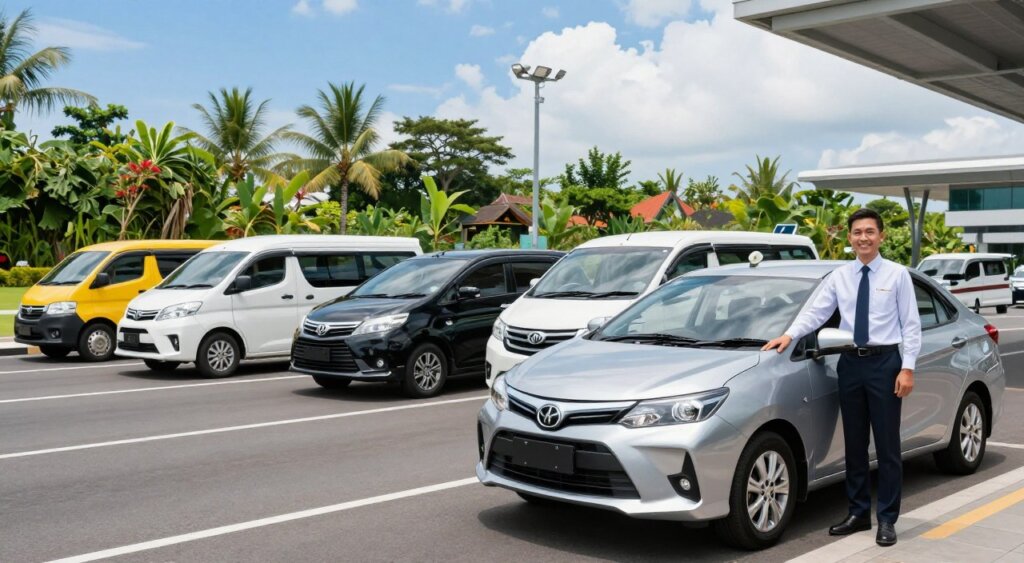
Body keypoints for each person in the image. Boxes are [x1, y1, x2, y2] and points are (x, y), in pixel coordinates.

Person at [762, 208, 921, 547]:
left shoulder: (897, 275)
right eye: (857, 232)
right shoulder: (840, 276)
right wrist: (789, 335)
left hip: (885, 364)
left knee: (888, 446)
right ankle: (859, 512)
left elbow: (911, 325)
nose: (863, 237)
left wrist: (907, 367)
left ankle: (888, 519)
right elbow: (816, 311)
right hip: (849, 364)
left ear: (881, 236)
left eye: (870, 232)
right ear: (849, 238)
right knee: (854, 444)